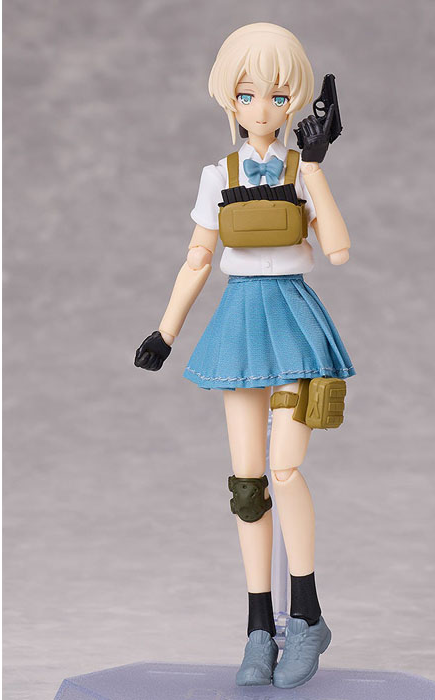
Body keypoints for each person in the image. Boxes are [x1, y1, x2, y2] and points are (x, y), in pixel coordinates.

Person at [135, 22, 354, 689]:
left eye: (278, 96)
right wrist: (166, 331)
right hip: (237, 325)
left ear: (296, 102)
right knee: (247, 484)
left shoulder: (298, 170)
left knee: (285, 469)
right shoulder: (218, 176)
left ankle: (308, 614)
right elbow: (199, 257)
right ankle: (260, 625)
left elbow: (338, 249)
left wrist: (315, 167)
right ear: (229, 98)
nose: (262, 109)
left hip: (292, 324)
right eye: (248, 93)